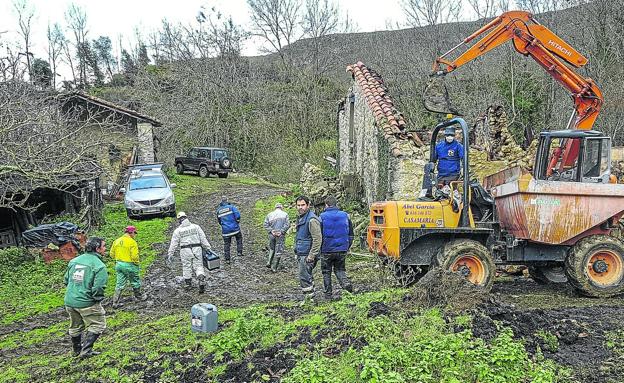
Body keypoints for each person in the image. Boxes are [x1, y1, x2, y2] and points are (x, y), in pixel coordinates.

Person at [63, 236, 108, 358]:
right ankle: (86, 351)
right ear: (97, 249)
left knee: (75, 326)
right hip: (86, 302)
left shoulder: (74, 261)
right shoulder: (99, 266)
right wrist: (96, 299)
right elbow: (98, 288)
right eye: (104, 246)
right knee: (98, 324)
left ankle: (76, 350)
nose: (105, 249)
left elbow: (66, 280)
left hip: (70, 301)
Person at [166, 211, 212, 293]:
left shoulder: (178, 231)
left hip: (185, 250)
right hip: (197, 248)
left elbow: (174, 243)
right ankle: (201, 279)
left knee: (186, 266)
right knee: (198, 265)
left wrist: (170, 253)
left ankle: (188, 284)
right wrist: (208, 247)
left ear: (179, 220)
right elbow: (203, 238)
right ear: (186, 217)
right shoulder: (196, 227)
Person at [319, 196, 354, 300]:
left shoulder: (321, 217)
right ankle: (345, 284)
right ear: (336, 204)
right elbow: (351, 234)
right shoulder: (345, 216)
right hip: (342, 248)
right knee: (340, 269)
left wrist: (320, 248)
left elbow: (319, 234)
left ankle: (328, 294)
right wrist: (347, 246)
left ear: (326, 204)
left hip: (327, 249)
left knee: (326, 272)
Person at [110, 226, 146, 308]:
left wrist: (118, 260)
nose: (134, 235)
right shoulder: (132, 242)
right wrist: (136, 263)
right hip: (130, 265)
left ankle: (115, 302)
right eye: (134, 233)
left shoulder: (116, 241)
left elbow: (111, 254)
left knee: (119, 283)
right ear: (131, 233)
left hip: (118, 264)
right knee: (135, 281)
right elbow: (134, 256)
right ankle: (139, 297)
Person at [294, 195, 322, 300]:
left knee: (304, 277)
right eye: (298, 205)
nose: (300, 207)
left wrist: (312, 255)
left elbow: (318, 239)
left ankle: (309, 300)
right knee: (307, 276)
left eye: (303, 205)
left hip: (307, 254)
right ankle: (311, 297)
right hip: (302, 251)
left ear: (308, 205)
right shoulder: (302, 218)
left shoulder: (311, 220)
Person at [263, 202, 290, 272]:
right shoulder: (285, 214)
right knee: (279, 249)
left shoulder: (269, 214)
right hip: (280, 235)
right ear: (281, 207)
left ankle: (269, 262)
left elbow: (265, 224)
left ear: (275, 207)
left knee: (272, 248)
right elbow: (287, 224)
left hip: (272, 235)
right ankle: (274, 267)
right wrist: (281, 231)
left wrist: (271, 231)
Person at [216, 196, 243, 264]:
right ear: (227, 201)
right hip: (235, 228)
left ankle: (227, 259)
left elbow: (219, 221)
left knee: (227, 244)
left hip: (225, 231)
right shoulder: (231, 207)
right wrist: (237, 221)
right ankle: (239, 252)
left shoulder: (218, 210)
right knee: (239, 239)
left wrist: (223, 225)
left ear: (221, 202)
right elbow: (238, 215)